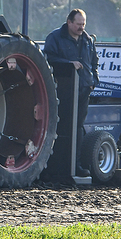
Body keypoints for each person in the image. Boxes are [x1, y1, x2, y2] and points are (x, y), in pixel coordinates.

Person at [44, 9, 99, 177]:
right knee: (60, 127)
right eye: (78, 24)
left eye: (84, 24)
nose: (81, 28)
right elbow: (48, 59)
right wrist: (68, 64)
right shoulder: (55, 38)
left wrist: (93, 81)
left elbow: (94, 61)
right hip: (63, 91)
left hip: (83, 90)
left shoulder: (88, 40)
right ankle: (55, 167)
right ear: (69, 22)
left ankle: (75, 166)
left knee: (78, 128)